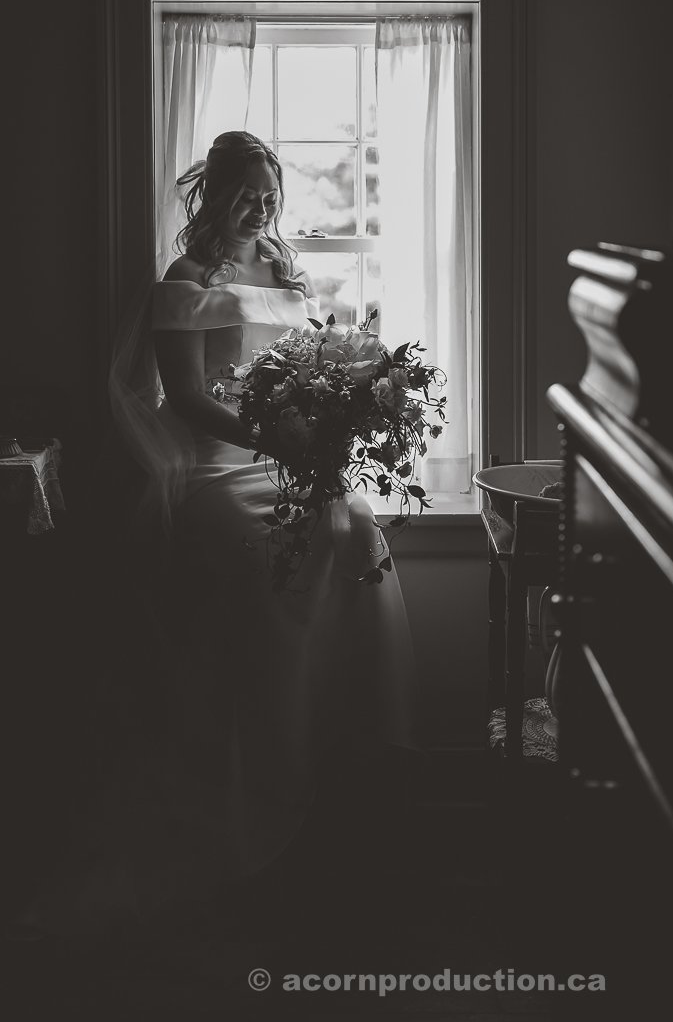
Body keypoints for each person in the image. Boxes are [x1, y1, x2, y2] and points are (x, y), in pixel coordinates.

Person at [20, 131, 416, 941]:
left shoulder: (283, 268)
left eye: (270, 193)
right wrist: (282, 444)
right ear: (212, 195)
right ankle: (255, 779)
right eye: (245, 192)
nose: (261, 207)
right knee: (260, 549)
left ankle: (328, 780)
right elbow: (191, 400)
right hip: (214, 465)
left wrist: (335, 430)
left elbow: (309, 366)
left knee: (357, 531)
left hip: (287, 457)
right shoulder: (186, 280)